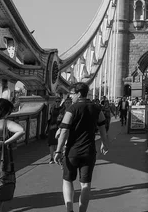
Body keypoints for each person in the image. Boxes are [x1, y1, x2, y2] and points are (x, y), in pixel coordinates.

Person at [54, 82, 110, 212]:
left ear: (78, 94)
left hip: (72, 151)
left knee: (67, 181)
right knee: (86, 185)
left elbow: (64, 131)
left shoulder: (71, 109)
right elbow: (102, 127)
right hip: (89, 152)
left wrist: (58, 150)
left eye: (72, 93)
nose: (71, 96)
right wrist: (105, 143)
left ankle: (69, 210)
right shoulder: (97, 109)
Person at [47, 96, 65, 164]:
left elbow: (60, 119)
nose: (57, 103)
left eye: (59, 101)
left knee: (58, 142)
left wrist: (57, 126)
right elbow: (50, 118)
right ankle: (51, 157)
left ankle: (58, 156)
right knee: (51, 143)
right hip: (51, 128)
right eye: (56, 101)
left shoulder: (62, 110)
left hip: (58, 128)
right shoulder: (52, 109)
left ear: (61, 102)